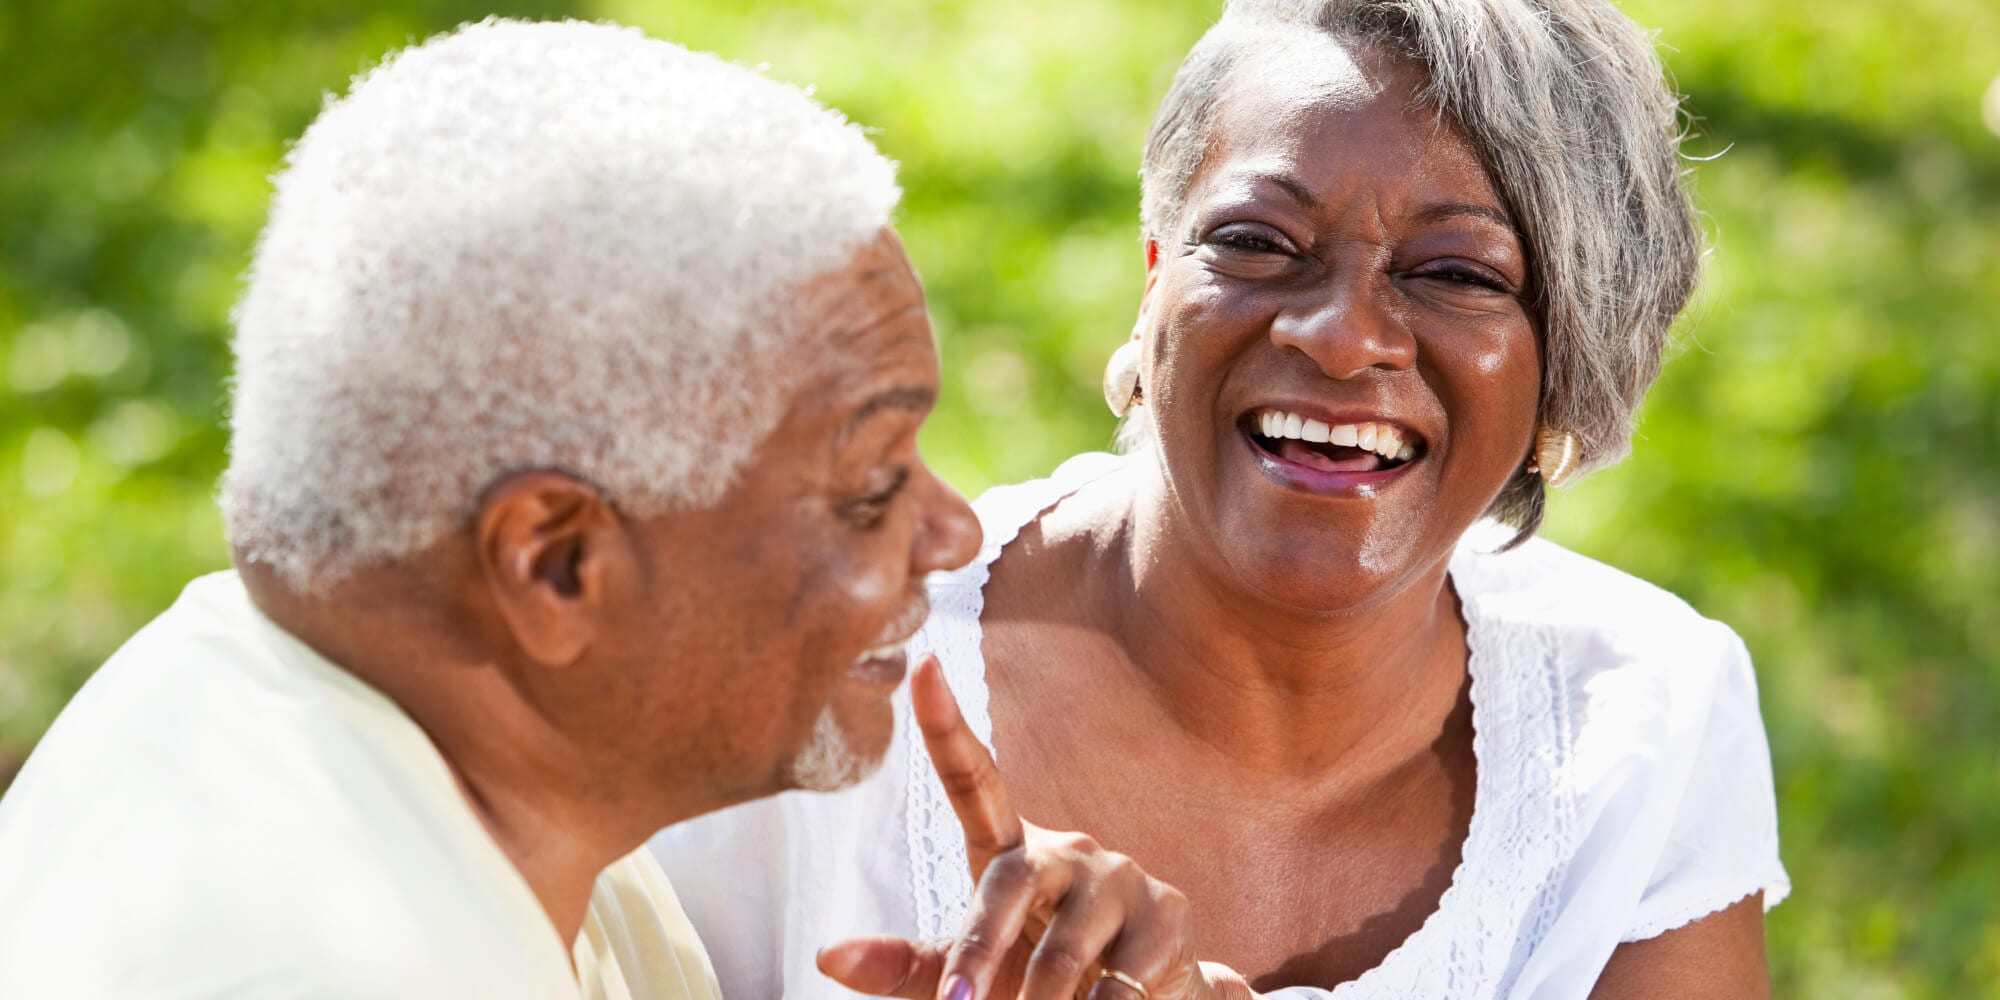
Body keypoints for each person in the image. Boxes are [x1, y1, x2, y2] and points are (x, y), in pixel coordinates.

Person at [0, 19, 1222, 1000]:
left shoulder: (323, 709)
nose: (951, 533)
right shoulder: (313, 958)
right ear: (554, 565)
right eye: (865, 491)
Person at [652, 0, 1790, 996]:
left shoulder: (1642, 719)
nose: (1340, 337)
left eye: (1453, 273)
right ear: (1154, 286)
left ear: (1568, 358)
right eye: (1256, 243)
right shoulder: (820, 680)